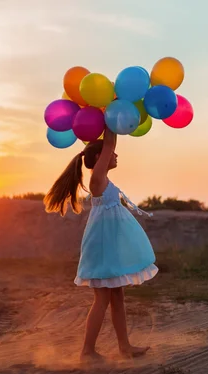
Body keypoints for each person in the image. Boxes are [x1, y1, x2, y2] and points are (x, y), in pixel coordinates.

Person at [44, 127, 158, 361]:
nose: (116, 156)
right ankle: (87, 351)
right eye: (111, 154)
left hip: (109, 245)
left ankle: (124, 347)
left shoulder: (102, 179)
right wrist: (110, 120)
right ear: (99, 158)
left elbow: (109, 146)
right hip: (103, 246)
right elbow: (109, 145)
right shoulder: (97, 178)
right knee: (103, 298)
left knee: (117, 297)